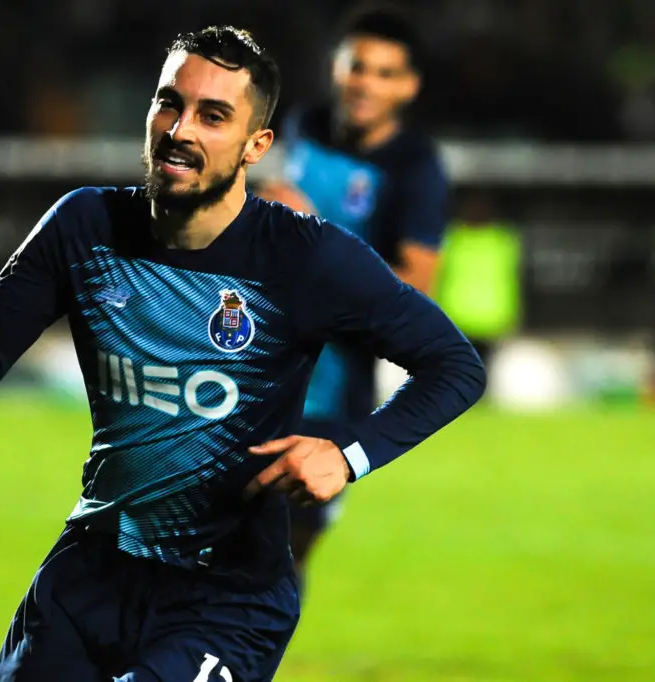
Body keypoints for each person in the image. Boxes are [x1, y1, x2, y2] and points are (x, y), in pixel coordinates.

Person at [0, 25, 485, 682]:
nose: (181, 130)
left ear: (256, 146)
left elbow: (455, 365)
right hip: (90, 572)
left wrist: (348, 454)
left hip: (225, 600)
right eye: (169, 103)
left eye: (213, 116)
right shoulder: (85, 226)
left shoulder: (305, 256)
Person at [256, 3, 451, 589]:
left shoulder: (415, 169)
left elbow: (415, 287)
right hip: (252, 359)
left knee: (287, 549)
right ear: (335, 68)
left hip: (332, 388)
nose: (366, 83)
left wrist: (312, 233)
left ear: (410, 87)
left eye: (386, 73)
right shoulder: (303, 126)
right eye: (357, 66)